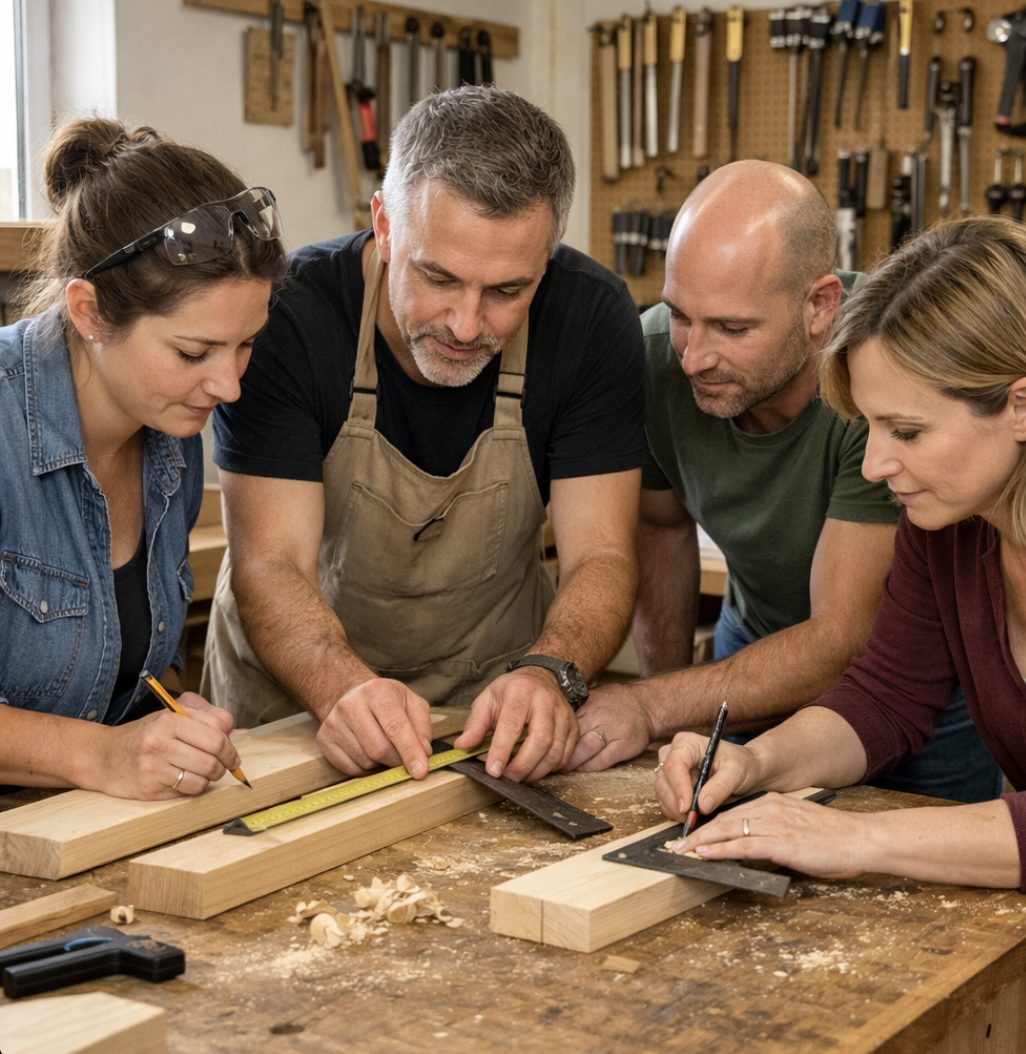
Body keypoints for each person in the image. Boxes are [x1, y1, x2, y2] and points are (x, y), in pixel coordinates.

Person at [202, 86, 644, 785]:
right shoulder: (289, 316)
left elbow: (605, 557)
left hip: (488, 713)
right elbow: (270, 565)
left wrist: (551, 671)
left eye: (507, 292)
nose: (467, 325)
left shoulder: (590, 320)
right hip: (296, 713)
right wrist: (339, 688)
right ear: (384, 223)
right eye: (437, 277)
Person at [567, 159, 1001, 805]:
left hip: (915, 688)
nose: (693, 357)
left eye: (733, 329)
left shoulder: (883, 372)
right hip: (784, 657)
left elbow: (843, 641)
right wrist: (695, 723)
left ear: (820, 306)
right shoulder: (660, 358)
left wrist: (653, 705)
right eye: (680, 314)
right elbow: (660, 525)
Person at [657, 216, 1026, 890]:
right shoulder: (946, 526)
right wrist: (757, 761)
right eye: (871, 426)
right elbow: (887, 698)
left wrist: (856, 836)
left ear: (1021, 407)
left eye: (907, 431)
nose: (878, 463)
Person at [0, 117, 286, 800]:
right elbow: (100, 745)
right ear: (90, 311)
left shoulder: (170, 434)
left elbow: (128, 668)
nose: (229, 386)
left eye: (245, 344)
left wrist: (172, 721)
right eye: (194, 353)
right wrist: (101, 756)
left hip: (78, 829)